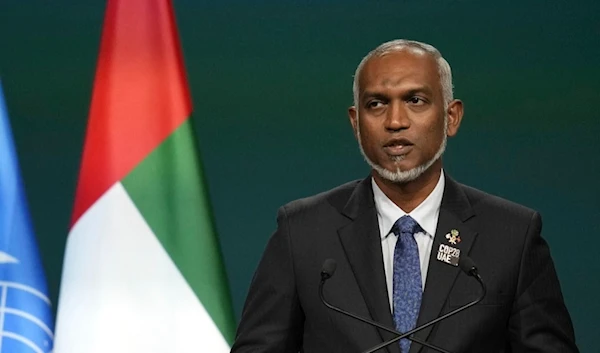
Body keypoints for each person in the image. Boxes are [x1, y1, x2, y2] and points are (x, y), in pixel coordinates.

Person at [230, 39, 578, 353]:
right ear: (356, 123)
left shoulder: (512, 236)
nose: (396, 121)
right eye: (377, 104)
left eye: (415, 100)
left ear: (451, 117)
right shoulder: (302, 232)